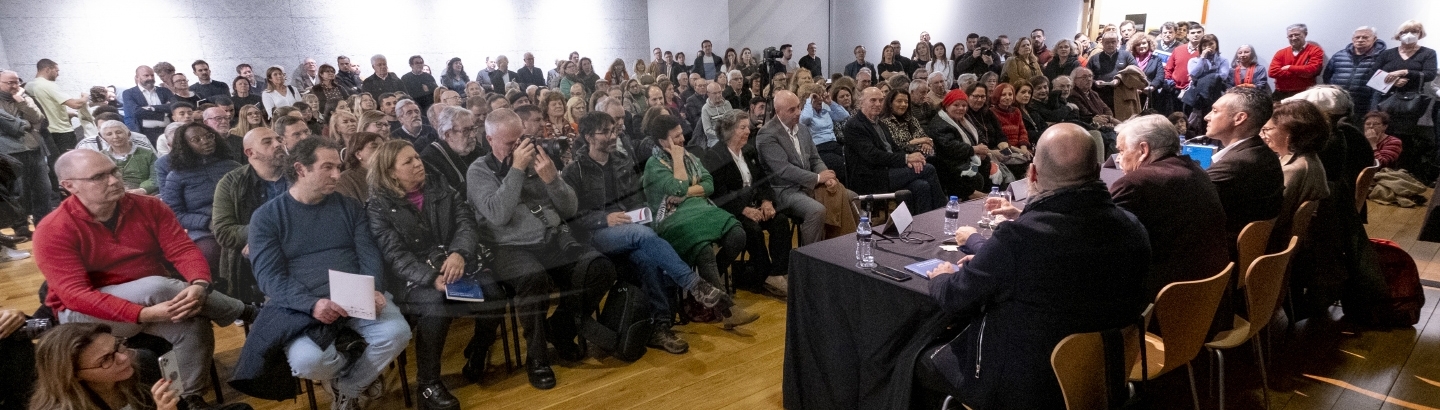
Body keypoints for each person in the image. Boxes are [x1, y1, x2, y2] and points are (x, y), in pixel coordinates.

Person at [916, 123, 1150, 410]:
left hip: (1027, 386)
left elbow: (955, 298)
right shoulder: (1133, 226)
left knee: (918, 361)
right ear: (1098, 168)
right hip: (1106, 375)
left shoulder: (1018, 240)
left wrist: (940, 277)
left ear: (1034, 174)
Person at [34, 149, 256, 409]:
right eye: (99, 177)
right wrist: (144, 314)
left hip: (154, 302)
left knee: (192, 322)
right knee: (158, 285)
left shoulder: (149, 207)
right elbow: (76, 295)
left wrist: (199, 284)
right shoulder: (53, 229)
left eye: (114, 171)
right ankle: (244, 311)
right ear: (69, 186)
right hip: (86, 318)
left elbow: (182, 249)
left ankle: (188, 399)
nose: (115, 180)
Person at [236, 138, 411, 409]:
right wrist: (312, 304)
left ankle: (348, 386)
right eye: (327, 167)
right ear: (301, 169)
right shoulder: (267, 217)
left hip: (356, 293)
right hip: (302, 302)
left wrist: (372, 289)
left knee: (397, 333)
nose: (337, 175)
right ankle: (353, 370)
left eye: (338, 167)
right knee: (308, 361)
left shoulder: (349, 206)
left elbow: (369, 255)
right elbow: (270, 277)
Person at [562, 112, 745, 354]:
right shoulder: (575, 171)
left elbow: (636, 200)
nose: (612, 136)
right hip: (597, 234)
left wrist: (644, 215)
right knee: (643, 236)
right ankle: (695, 284)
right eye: (605, 132)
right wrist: (604, 219)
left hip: (628, 226)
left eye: (613, 130)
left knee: (648, 259)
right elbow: (572, 216)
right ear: (588, 137)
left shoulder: (619, 163)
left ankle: (660, 326)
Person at [466, 108, 615, 389]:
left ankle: (558, 330)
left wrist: (552, 180)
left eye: (521, 138)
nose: (519, 147)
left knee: (600, 269)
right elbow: (498, 214)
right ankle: (537, 359)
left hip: (552, 239)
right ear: (490, 139)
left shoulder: (538, 158)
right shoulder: (479, 171)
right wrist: (517, 169)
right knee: (533, 279)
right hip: (508, 248)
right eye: (510, 143)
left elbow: (569, 208)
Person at [365, 139, 501, 409]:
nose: (418, 164)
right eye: (409, 161)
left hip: (453, 261)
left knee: (494, 295)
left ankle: (478, 349)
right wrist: (429, 277)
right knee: (435, 305)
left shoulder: (440, 185)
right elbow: (394, 255)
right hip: (412, 276)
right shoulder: (378, 206)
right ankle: (428, 384)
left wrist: (459, 253)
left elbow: (466, 222)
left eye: (417, 157)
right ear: (391, 172)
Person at [640, 114, 754, 326]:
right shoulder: (653, 166)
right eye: (676, 137)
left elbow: (709, 184)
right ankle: (728, 311)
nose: (682, 139)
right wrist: (677, 164)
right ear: (663, 142)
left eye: (681, 133)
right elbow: (678, 187)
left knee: (737, 233)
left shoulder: (690, 157)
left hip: (700, 209)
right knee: (703, 248)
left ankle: (706, 288)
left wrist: (685, 193)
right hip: (671, 217)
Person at [1110, 115, 1228, 299]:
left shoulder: (1135, 183)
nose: (1118, 159)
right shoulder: (1197, 171)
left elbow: (1105, 245)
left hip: (1169, 308)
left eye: (1122, 151)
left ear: (1143, 149)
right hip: (1212, 298)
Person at [699, 110, 793, 297]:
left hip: (755, 204)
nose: (748, 130)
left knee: (780, 220)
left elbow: (762, 180)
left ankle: (776, 273)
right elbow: (719, 195)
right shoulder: (715, 156)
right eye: (742, 127)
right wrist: (743, 210)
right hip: (732, 209)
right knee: (753, 230)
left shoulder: (748, 150)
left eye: (747, 126)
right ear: (729, 131)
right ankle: (761, 274)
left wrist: (767, 201)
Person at [27, 323, 220, 410]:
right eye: (105, 360)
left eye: (118, 345)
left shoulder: (142, 363)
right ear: (74, 375)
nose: (123, 357)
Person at [211, 127, 287, 306]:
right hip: (258, 260)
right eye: (268, 142)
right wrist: (263, 236)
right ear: (250, 152)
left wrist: (262, 237)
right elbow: (223, 231)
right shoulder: (231, 182)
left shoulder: (301, 174)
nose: (278, 144)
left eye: (278, 139)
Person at [758, 91, 841, 245]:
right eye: (792, 110)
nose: (798, 113)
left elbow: (815, 158)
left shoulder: (802, 129)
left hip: (807, 185)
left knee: (849, 197)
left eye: (799, 107)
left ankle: (837, 249)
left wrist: (825, 174)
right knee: (816, 210)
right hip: (784, 189)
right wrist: (817, 178)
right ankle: (810, 258)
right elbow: (783, 170)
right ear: (778, 112)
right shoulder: (767, 135)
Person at [844, 87, 945, 213]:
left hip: (890, 171)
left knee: (921, 186)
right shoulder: (854, 126)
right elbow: (873, 155)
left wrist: (911, 160)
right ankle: (943, 211)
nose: (878, 104)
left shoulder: (880, 124)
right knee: (929, 169)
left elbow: (895, 148)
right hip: (871, 177)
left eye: (881, 100)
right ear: (861, 102)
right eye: (873, 100)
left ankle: (923, 224)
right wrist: (906, 158)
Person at [161, 122, 239, 280]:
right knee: (210, 252)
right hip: (203, 228)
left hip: (237, 221)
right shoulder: (176, 176)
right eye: (196, 139)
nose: (206, 141)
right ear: (185, 146)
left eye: (208, 136)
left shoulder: (233, 166)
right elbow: (174, 213)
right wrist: (206, 222)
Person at [1204, 87, 1283, 239]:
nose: (1207, 117)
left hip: (1223, 252)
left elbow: (1185, 200)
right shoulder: (1263, 152)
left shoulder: (1236, 164)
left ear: (1239, 118)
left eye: (1214, 111)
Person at [1373, 20, 1438, 181]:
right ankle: (1380, 171)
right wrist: (1393, 81)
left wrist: (1405, 71)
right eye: (1405, 32)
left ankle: (1399, 173)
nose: (1409, 35)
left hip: (1409, 102)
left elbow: (1429, 74)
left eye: (1414, 31)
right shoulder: (1387, 54)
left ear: (1420, 34)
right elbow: (1373, 74)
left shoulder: (1428, 53)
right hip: (1385, 98)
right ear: (1398, 34)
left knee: (1404, 138)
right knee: (1382, 134)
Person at [1265, 100, 1332, 246]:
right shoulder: (1309, 158)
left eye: (1268, 129)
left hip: (1276, 244)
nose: (1263, 135)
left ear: (1290, 134)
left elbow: (1273, 219)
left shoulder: (1295, 169)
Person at [0, 70, 53, 238]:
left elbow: (39, 118)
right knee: (19, 192)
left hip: (34, 148)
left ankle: (45, 225)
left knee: (44, 189)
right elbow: (8, 126)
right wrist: (26, 124)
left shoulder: (24, 96)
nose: (15, 85)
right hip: (10, 152)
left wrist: (21, 102)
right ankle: (21, 227)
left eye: (17, 81)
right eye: (10, 83)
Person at [926, 89, 989, 199]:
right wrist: (974, 150)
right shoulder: (940, 123)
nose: (961, 108)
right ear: (946, 106)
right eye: (956, 105)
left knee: (988, 162)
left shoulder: (965, 118)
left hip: (968, 156)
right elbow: (950, 146)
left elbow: (979, 134)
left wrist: (982, 148)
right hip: (948, 160)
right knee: (958, 169)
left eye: (964, 105)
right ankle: (969, 194)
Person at [1324, 27, 1388, 118]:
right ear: (1352, 39)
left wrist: (1374, 108)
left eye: (1365, 37)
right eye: (1357, 37)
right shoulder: (1339, 55)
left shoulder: (1382, 57)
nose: (1360, 40)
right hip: (1338, 103)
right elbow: (1327, 76)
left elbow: (1382, 85)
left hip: (1364, 105)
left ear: (1374, 39)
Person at [420, 106, 483, 195]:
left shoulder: (477, 150)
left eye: (473, 129)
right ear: (448, 135)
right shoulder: (430, 160)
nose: (472, 135)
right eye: (466, 131)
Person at [27, 59, 86, 153]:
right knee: (71, 161)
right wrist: (85, 97)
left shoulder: (28, 86)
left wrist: (68, 113)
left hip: (45, 132)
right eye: (56, 70)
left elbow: (44, 107)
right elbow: (76, 104)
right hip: (61, 131)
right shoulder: (49, 85)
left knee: (56, 163)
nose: (58, 74)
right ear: (48, 69)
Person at [94, 120, 158, 194]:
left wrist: (143, 190)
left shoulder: (147, 153)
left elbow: (157, 176)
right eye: (109, 134)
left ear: (128, 134)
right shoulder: (100, 156)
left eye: (119, 132)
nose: (115, 137)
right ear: (104, 139)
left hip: (143, 194)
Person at [800, 85, 851, 178]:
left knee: (852, 160)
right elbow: (805, 119)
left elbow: (844, 115)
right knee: (839, 164)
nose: (820, 99)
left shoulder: (825, 110)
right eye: (816, 97)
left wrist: (830, 102)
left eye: (821, 95)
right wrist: (809, 100)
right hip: (819, 148)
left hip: (834, 145)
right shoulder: (805, 113)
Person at [1269, 24, 1326, 100]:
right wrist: (1301, 71)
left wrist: (1289, 67)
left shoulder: (1315, 50)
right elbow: (1272, 72)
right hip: (1281, 93)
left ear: (1305, 34)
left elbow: (1312, 70)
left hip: (1305, 93)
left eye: (1297, 35)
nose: (1293, 38)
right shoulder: (1280, 53)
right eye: (1290, 36)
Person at [122, 65, 176, 141]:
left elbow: (174, 106)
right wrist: (164, 113)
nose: (150, 78)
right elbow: (136, 112)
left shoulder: (164, 91)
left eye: (152, 75)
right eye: (146, 75)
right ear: (137, 77)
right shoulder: (129, 93)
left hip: (168, 131)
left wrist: (152, 108)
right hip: (145, 133)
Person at [335, 132, 387, 201]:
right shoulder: (345, 181)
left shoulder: (390, 175)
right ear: (358, 154)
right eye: (374, 147)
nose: (382, 151)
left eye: (383, 147)